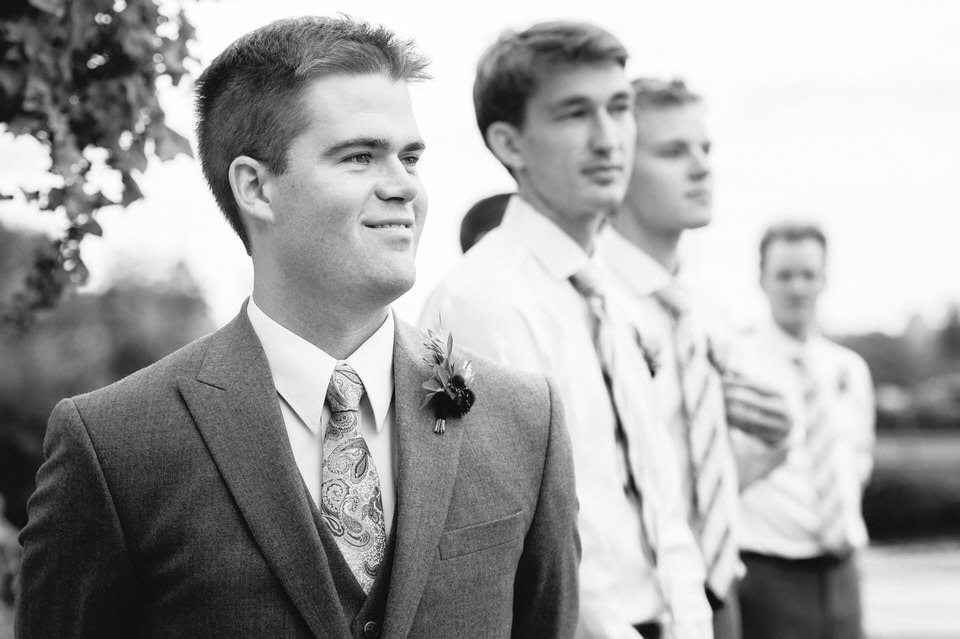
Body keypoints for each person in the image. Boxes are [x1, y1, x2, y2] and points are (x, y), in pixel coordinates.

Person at [15, 16, 580, 638]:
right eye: (360, 156)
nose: (403, 188)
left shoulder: (527, 420)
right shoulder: (114, 446)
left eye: (410, 157)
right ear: (256, 187)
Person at [421, 22, 712, 639]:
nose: (609, 139)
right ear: (511, 142)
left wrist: (692, 619)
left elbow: (661, 493)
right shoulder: (485, 303)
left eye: (620, 108)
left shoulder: (616, 294)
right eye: (575, 114)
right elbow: (517, 533)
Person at [597, 78, 792, 639]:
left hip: (717, 591)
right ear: (618, 166)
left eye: (705, 149)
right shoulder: (589, 302)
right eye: (674, 151)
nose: (702, 167)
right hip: (628, 607)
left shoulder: (707, 310)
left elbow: (702, 474)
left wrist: (772, 445)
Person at [734, 221, 875, 639]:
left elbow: (859, 460)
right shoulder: (736, 364)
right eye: (784, 275)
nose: (797, 288)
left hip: (843, 573)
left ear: (825, 279)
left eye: (808, 275)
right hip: (769, 573)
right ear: (762, 279)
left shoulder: (849, 369)